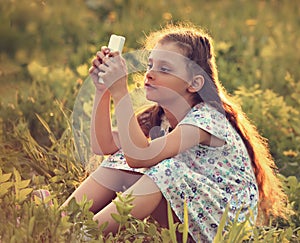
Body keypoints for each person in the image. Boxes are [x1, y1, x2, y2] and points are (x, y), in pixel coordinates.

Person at [61, 23, 289, 242]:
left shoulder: (205, 119)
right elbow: (104, 146)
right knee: (120, 158)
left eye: (165, 69)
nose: (149, 73)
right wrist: (104, 90)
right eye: (150, 65)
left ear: (194, 83)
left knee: (166, 170)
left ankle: (82, 236)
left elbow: (139, 156)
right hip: (188, 215)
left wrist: (121, 91)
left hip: (223, 227)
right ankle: (59, 221)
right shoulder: (159, 118)